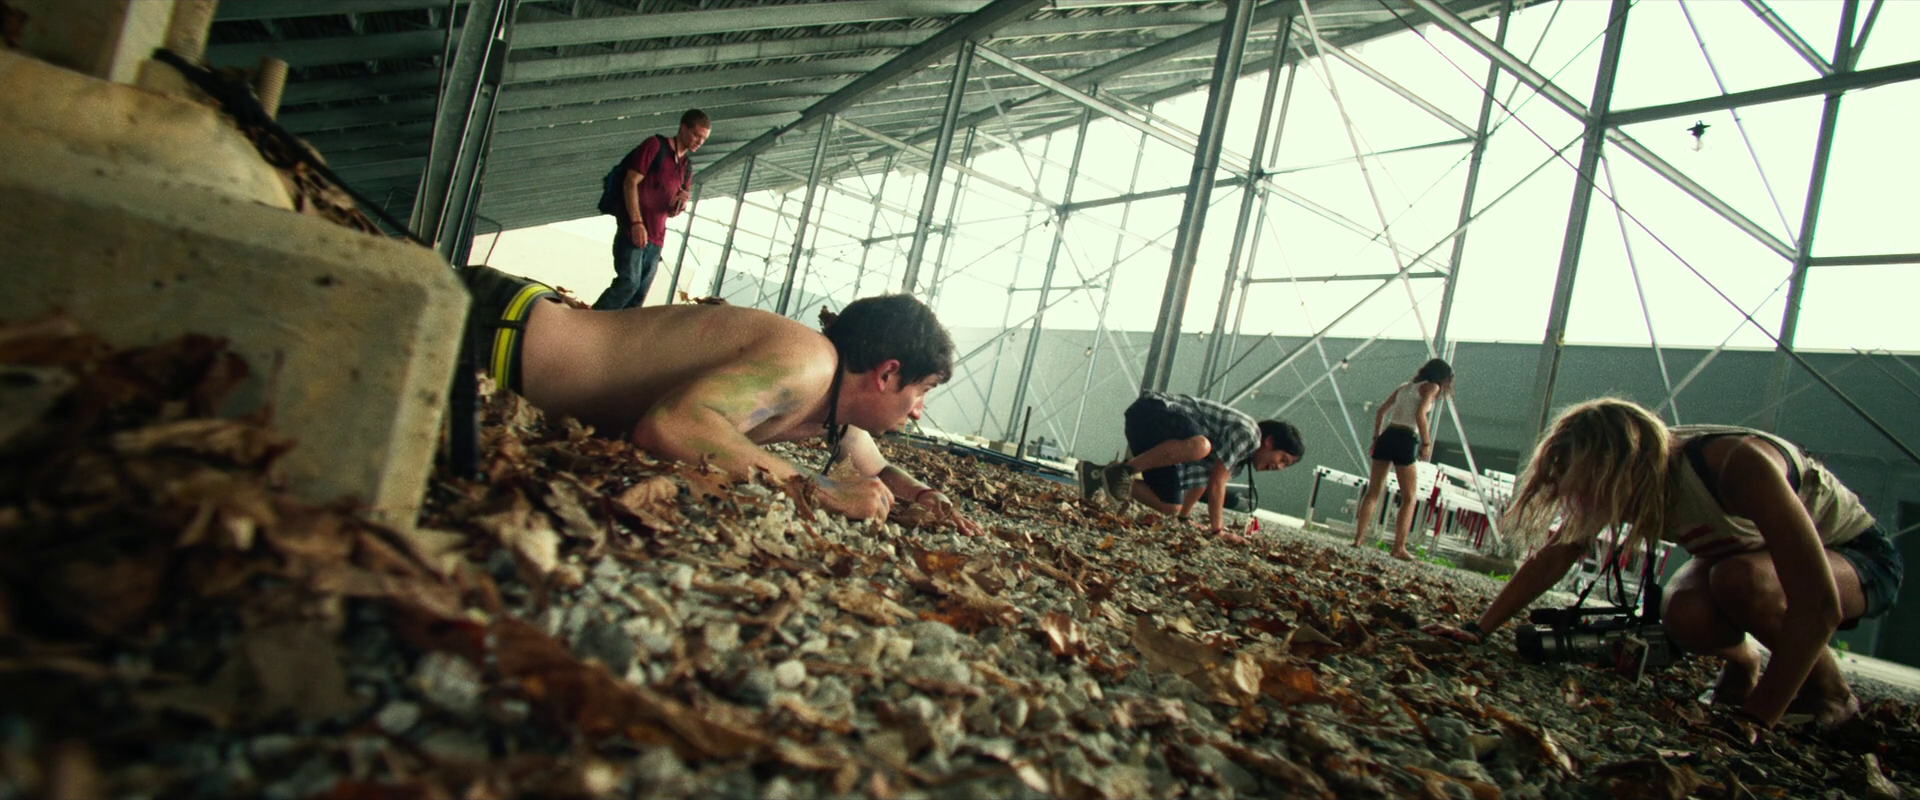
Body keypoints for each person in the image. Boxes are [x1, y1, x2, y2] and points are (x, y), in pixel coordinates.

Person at [1424, 398, 1903, 730]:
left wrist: (1754, 721)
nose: (1581, 505)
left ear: (1616, 466)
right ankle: (1743, 663)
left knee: (1739, 581)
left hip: (1857, 558)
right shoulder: (1626, 479)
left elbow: (1817, 603)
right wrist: (1478, 629)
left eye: (1585, 490)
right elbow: (1556, 555)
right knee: (1684, 614)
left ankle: (1833, 696)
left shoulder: (1735, 464)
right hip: (1741, 560)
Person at [464, 264, 982, 536]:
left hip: (509, 344)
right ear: (887, 374)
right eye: (922, 391)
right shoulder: (810, 362)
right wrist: (824, 490)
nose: (919, 411)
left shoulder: (831, 409)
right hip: (488, 333)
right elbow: (671, 426)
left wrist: (924, 496)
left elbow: (878, 468)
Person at [1078, 392, 1305, 543]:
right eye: (1283, 459)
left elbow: (1203, 481)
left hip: (1154, 437)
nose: (1278, 467)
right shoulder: (1250, 435)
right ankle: (1122, 472)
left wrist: (1184, 517)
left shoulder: (1237, 461)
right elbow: (1217, 483)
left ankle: (1097, 474)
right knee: (1200, 446)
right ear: (1270, 442)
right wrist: (1218, 530)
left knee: (1170, 506)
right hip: (1152, 410)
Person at [593, 109, 710, 311]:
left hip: (656, 238)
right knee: (628, 283)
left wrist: (680, 203)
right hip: (634, 229)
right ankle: (591, 321)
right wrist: (636, 222)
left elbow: (672, 212)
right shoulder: (656, 146)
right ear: (683, 128)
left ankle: (619, 330)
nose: (699, 142)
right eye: (696, 135)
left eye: (703, 138)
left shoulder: (686, 167)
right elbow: (630, 182)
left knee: (638, 295)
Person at [1351, 358, 1454, 560]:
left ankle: (1359, 538)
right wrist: (1426, 442)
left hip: (1387, 435)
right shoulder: (1432, 387)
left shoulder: (1405, 387)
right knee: (1409, 497)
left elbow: (1381, 411)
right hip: (1406, 438)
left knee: (1373, 492)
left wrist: (1376, 438)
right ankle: (1399, 547)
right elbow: (1420, 414)